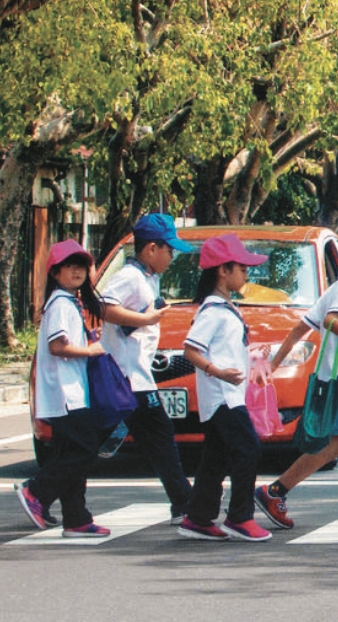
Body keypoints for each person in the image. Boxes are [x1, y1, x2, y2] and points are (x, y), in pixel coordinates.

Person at [257, 261, 338, 529]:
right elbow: (330, 320)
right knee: (331, 447)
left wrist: (274, 365)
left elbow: (301, 328)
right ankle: (275, 491)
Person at [97, 214, 195, 524]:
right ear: (151, 248)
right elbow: (105, 308)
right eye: (169, 249)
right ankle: (184, 502)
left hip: (136, 374)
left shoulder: (148, 277)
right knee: (159, 435)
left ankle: (183, 502)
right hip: (127, 376)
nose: (172, 256)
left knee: (95, 438)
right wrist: (146, 319)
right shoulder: (130, 277)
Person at [177, 233, 273, 542]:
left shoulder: (224, 307)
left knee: (216, 458)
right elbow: (191, 349)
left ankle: (198, 517)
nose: (247, 273)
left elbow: (221, 348)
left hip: (227, 395)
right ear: (223, 270)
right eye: (242, 267)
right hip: (223, 398)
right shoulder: (213, 311)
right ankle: (239, 517)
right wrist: (217, 372)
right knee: (248, 449)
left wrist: (251, 355)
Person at [17, 241, 112, 537]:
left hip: (70, 391)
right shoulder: (60, 304)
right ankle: (37, 492)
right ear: (55, 272)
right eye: (69, 265)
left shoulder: (68, 302)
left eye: (81, 265)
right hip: (64, 394)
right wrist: (93, 349)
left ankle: (76, 518)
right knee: (83, 450)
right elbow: (58, 347)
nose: (77, 271)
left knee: (70, 452)